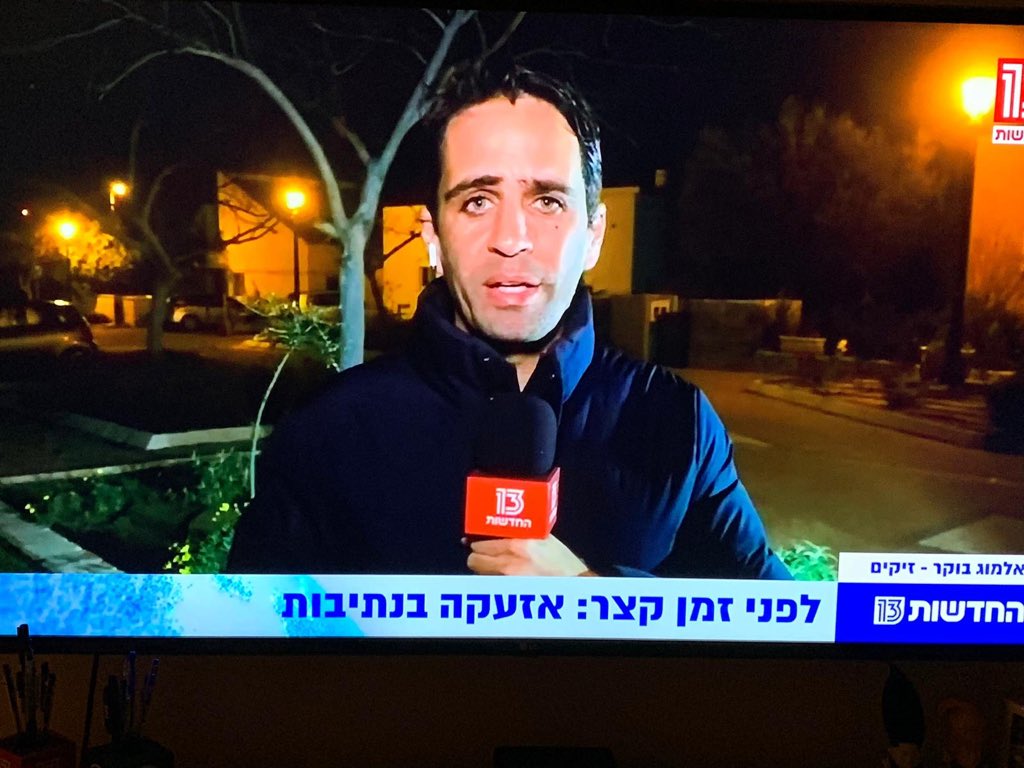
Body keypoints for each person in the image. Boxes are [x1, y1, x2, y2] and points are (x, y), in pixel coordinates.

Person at [227, 64, 791, 579]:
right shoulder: (327, 432)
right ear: (432, 237)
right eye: (477, 201)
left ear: (593, 235)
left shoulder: (676, 423)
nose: (512, 239)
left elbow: (776, 629)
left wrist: (596, 600)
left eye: (547, 201)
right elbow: (247, 643)